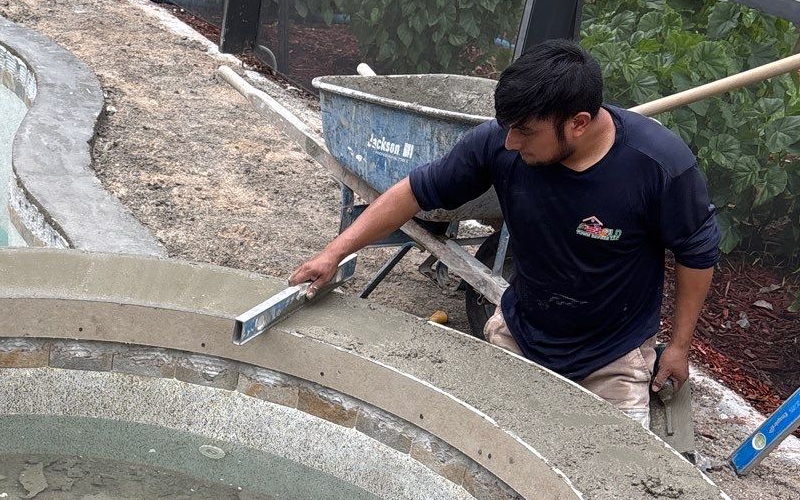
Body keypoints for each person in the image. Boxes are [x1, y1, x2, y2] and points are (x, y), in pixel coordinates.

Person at [290, 41, 720, 426]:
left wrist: (679, 347)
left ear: (578, 123)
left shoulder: (659, 166)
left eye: (525, 131)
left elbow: (696, 254)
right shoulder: (499, 141)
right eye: (507, 127)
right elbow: (413, 192)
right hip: (521, 333)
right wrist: (335, 252)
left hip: (613, 358)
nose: (511, 142)